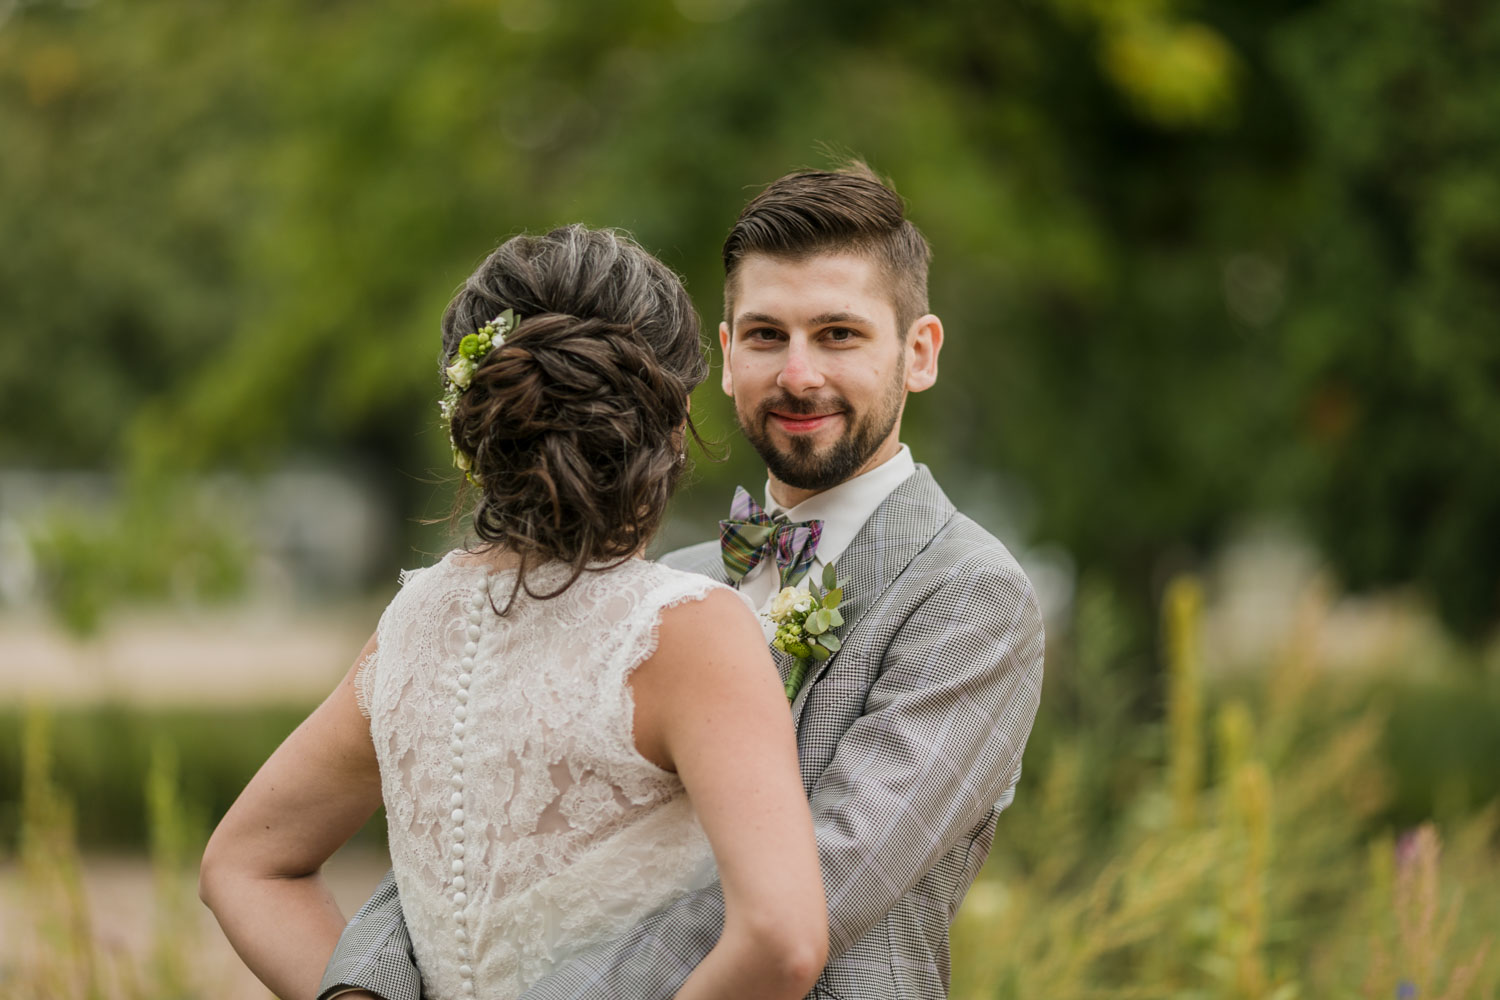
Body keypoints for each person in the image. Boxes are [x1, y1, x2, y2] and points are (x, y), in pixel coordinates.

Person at [319, 162, 1046, 1000]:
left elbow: (822, 885)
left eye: (839, 335)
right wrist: (369, 986)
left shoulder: (972, 596)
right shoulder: (675, 584)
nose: (799, 375)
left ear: (918, 354)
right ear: (728, 358)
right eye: (768, 336)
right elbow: (482, 821)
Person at [198, 224, 829, 1000]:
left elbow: (243, 864)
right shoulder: (685, 627)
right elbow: (785, 941)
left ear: (476, 423)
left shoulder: (413, 624)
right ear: (671, 425)